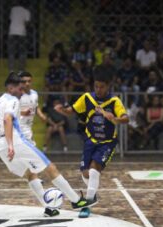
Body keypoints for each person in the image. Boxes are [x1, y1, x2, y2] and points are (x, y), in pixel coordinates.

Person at [0, 72, 95, 217]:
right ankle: (76, 200)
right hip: (15, 142)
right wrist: (11, 145)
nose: (22, 92)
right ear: (11, 87)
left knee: (30, 173)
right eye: (20, 89)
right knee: (50, 167)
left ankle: (49, 207)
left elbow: (3, 119)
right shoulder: (13, 100)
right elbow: (8, 119)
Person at [55, 66, 129, 218]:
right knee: (86, 173)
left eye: (102, 86)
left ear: (108, 86)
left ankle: (87, 205)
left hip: (107, 142)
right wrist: (61, 109)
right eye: (96, 86)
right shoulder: (87, 98)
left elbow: (126, 119)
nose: (99, 89)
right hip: (90, 140)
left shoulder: (114, 101)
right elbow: (71, 111)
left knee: (95, 170)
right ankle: (92, 194)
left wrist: (114, 118)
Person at [0, 71, 47, 164]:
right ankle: (34, 170)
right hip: (20, 125)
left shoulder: (34, 94)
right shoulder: (16, 96)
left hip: (29, 125)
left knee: (20, 149)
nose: (27, 83)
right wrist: (23, 112)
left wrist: (41, 115)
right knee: (31, 149)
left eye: (29, 81)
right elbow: (11, 113)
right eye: (24, 81)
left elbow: (35, 106)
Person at [7, 2, 31, 71]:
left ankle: (11, 69)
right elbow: (27, 22)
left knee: (11, 51)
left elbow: (11, 19)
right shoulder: (26, 11)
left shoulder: (13, 9)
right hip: (21, 32)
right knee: (22, 51)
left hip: (12, 31)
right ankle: (21, 69)